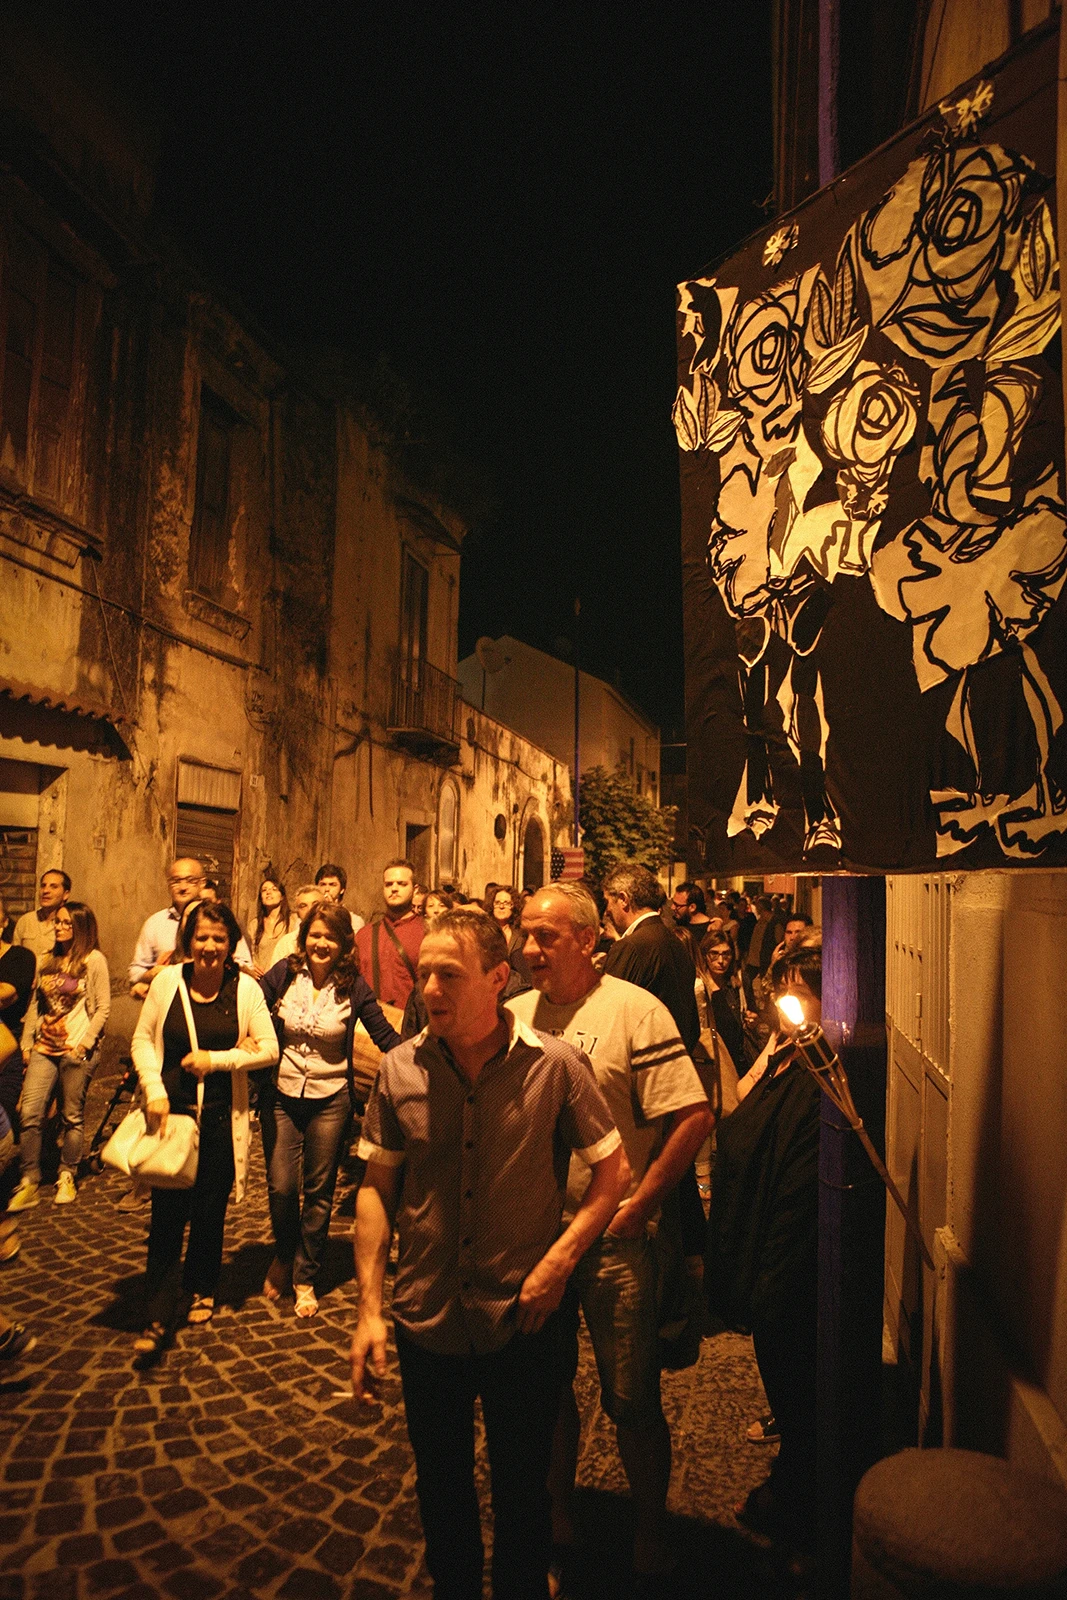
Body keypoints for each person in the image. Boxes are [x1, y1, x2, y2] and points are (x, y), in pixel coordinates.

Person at [351, 908, 629, 1600]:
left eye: (449, 975)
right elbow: (376, 1190)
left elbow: (611, 1173)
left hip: (523, 1321)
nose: (430, 990)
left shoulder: (556, 1067)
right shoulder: (399, 1071)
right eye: (422, 976)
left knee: (522, 1492)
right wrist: (367, 1311)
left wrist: (558, 1263)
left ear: (497, 979)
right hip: (427, 1320)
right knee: (441, 1489)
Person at [511, 884, 712, 1579]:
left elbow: (690, 1115)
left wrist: (642, 1200)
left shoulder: (634, 1011)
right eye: (524, 933)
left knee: (630, 1397)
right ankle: (558, 1511)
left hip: (614, 1246)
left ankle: (650, 1529)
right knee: (545, 1389)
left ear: (589, 940)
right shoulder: (511, 1014)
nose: (529, 948)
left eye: (547, 935)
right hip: (536, 1247)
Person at [704, 939, 823, 1551]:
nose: (788, 1001)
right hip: (758, 1246)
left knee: (796, 1373)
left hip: (785, 1260)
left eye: (803, 990)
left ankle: (801, 1496)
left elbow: (800, 1191)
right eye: (785, 987)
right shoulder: (784, 1051)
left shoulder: (818, 1075)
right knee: (780, 1370)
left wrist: (768, 1282)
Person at [130, 900, 278, 1354]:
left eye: (218, 938)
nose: (210, 946)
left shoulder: (245, 990)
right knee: (167, 1217)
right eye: (201, 937)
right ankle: (157, 1312)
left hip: (219, 1119)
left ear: (231, 942)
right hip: (170, 1117)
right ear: (187, 942)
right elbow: (142, 1039)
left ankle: (201, 1287)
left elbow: (268, 1048)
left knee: (210, 1213)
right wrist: (153, 1087)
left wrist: (218, 1059)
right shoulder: (169, 982)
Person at [258, 902, 399, 1316]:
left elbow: (386, 1037)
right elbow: (247, 1003)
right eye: (315, 935)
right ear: (305, 938)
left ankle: (304, 1274)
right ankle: (285, 1253)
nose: (321, 943)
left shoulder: (353, 987)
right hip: (282, 1095)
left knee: (318, 1191)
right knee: (281, 1186)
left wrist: (428, 1054)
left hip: (331, 1098)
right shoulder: (284, 973)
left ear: (342, 945)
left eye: (330, 937)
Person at [9, 902, 110, 1210]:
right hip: (44, 1047)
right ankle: (30, 1179)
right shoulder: (48, 959)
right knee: (30, 1113)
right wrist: (27, 1043)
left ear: (82, 927)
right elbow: (36, 1005)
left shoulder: (94, 961)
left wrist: (84, 1044)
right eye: (58, 922)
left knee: (72, 1116)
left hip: (76, 1049)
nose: (60, 927)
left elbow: (103, 1007)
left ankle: (67, 1173)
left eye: (68, 923)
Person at [129, 858, 251, 997]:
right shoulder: (155, 923)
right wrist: (151, 975)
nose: (183, 887)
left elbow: (245, 964)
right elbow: (136, 971)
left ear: (202, 883)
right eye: (176, 881)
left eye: (190, 880)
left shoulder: (220, 920)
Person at [355, 859, 426, 1010]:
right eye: (389, 884)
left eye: (402, 884)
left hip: (411, 1026)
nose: (394, 888)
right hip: (369, 1026)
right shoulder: (364, 936)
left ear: (415, 889)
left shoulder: (428, 933)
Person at [0, 892, 35, 1130]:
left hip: (7, 1043)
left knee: (4, 1114)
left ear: (4, 922)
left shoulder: (20, 957)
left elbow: (7, 993)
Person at [13, 870, 71, 975]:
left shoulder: (69, 925)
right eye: (43, 886)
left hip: (55, 987)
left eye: (53, 886)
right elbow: (14, 959)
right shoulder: (26, 921)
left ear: (65, 894)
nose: (46, 891)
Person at [485, 885, 532, 993]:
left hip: (517, 989)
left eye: (506, 903)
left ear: (514, 906)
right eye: (497, 903)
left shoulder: (521, 934)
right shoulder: (485, 932)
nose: (501, 907)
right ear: (492, 906)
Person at [250, 874, 299, 977]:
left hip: (285, 977)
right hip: (261, 979)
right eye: (264, 890)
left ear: (281, 896)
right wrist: (251, 966)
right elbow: (248, 951)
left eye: (274, 889)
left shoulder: (293, 920)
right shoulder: (255, 924)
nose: (268, 892)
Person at [314, 863, 365, 936]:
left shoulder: (355, 920)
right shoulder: (308, 917)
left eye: (332, 885)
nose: (327, 889)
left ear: (342, 889)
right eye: (323, 884)